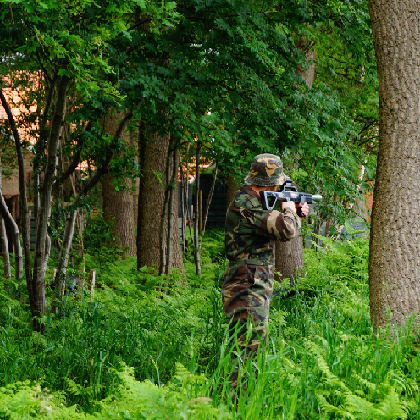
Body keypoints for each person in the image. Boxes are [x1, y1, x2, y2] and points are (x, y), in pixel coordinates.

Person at [221, 153, 309, 392]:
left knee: (251, 344)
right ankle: (234, 404)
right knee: (247, 347)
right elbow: (286, 231)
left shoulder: (255, 202)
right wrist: (291, 211)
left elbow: (284, 226)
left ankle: (240, 400)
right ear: (271, 183)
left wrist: (295, 212)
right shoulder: (246, 205)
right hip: (247, 284)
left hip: (251, 282)